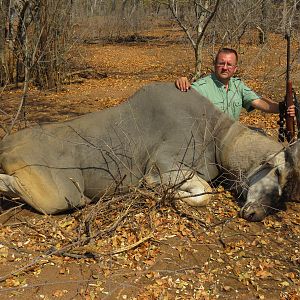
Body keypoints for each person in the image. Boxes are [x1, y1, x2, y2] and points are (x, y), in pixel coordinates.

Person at [175, 48, 295, 120]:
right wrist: (181, 82)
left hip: (232, 139)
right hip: (208, 141)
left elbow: (259, 102)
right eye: (221, 63)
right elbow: (182, 98)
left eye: (229, 64)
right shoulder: (202, 87)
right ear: (215, 65)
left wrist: (283, 107)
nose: (225, 68)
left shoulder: (238, 85)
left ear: (235, 68)